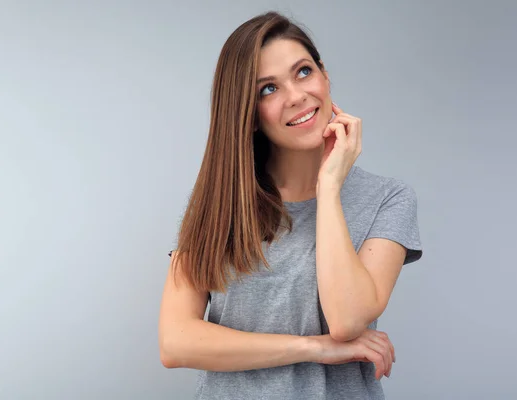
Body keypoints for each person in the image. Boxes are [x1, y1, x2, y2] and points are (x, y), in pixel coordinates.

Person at [158, 10, 423, 400]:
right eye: (268, 89)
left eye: (303, 72)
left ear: (325, 75)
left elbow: (348, 321)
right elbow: (176, 342)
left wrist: (329, 187)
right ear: (248, 115)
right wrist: (312, 348)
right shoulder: (219, 204)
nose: (297, 96)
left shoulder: (388, 199)